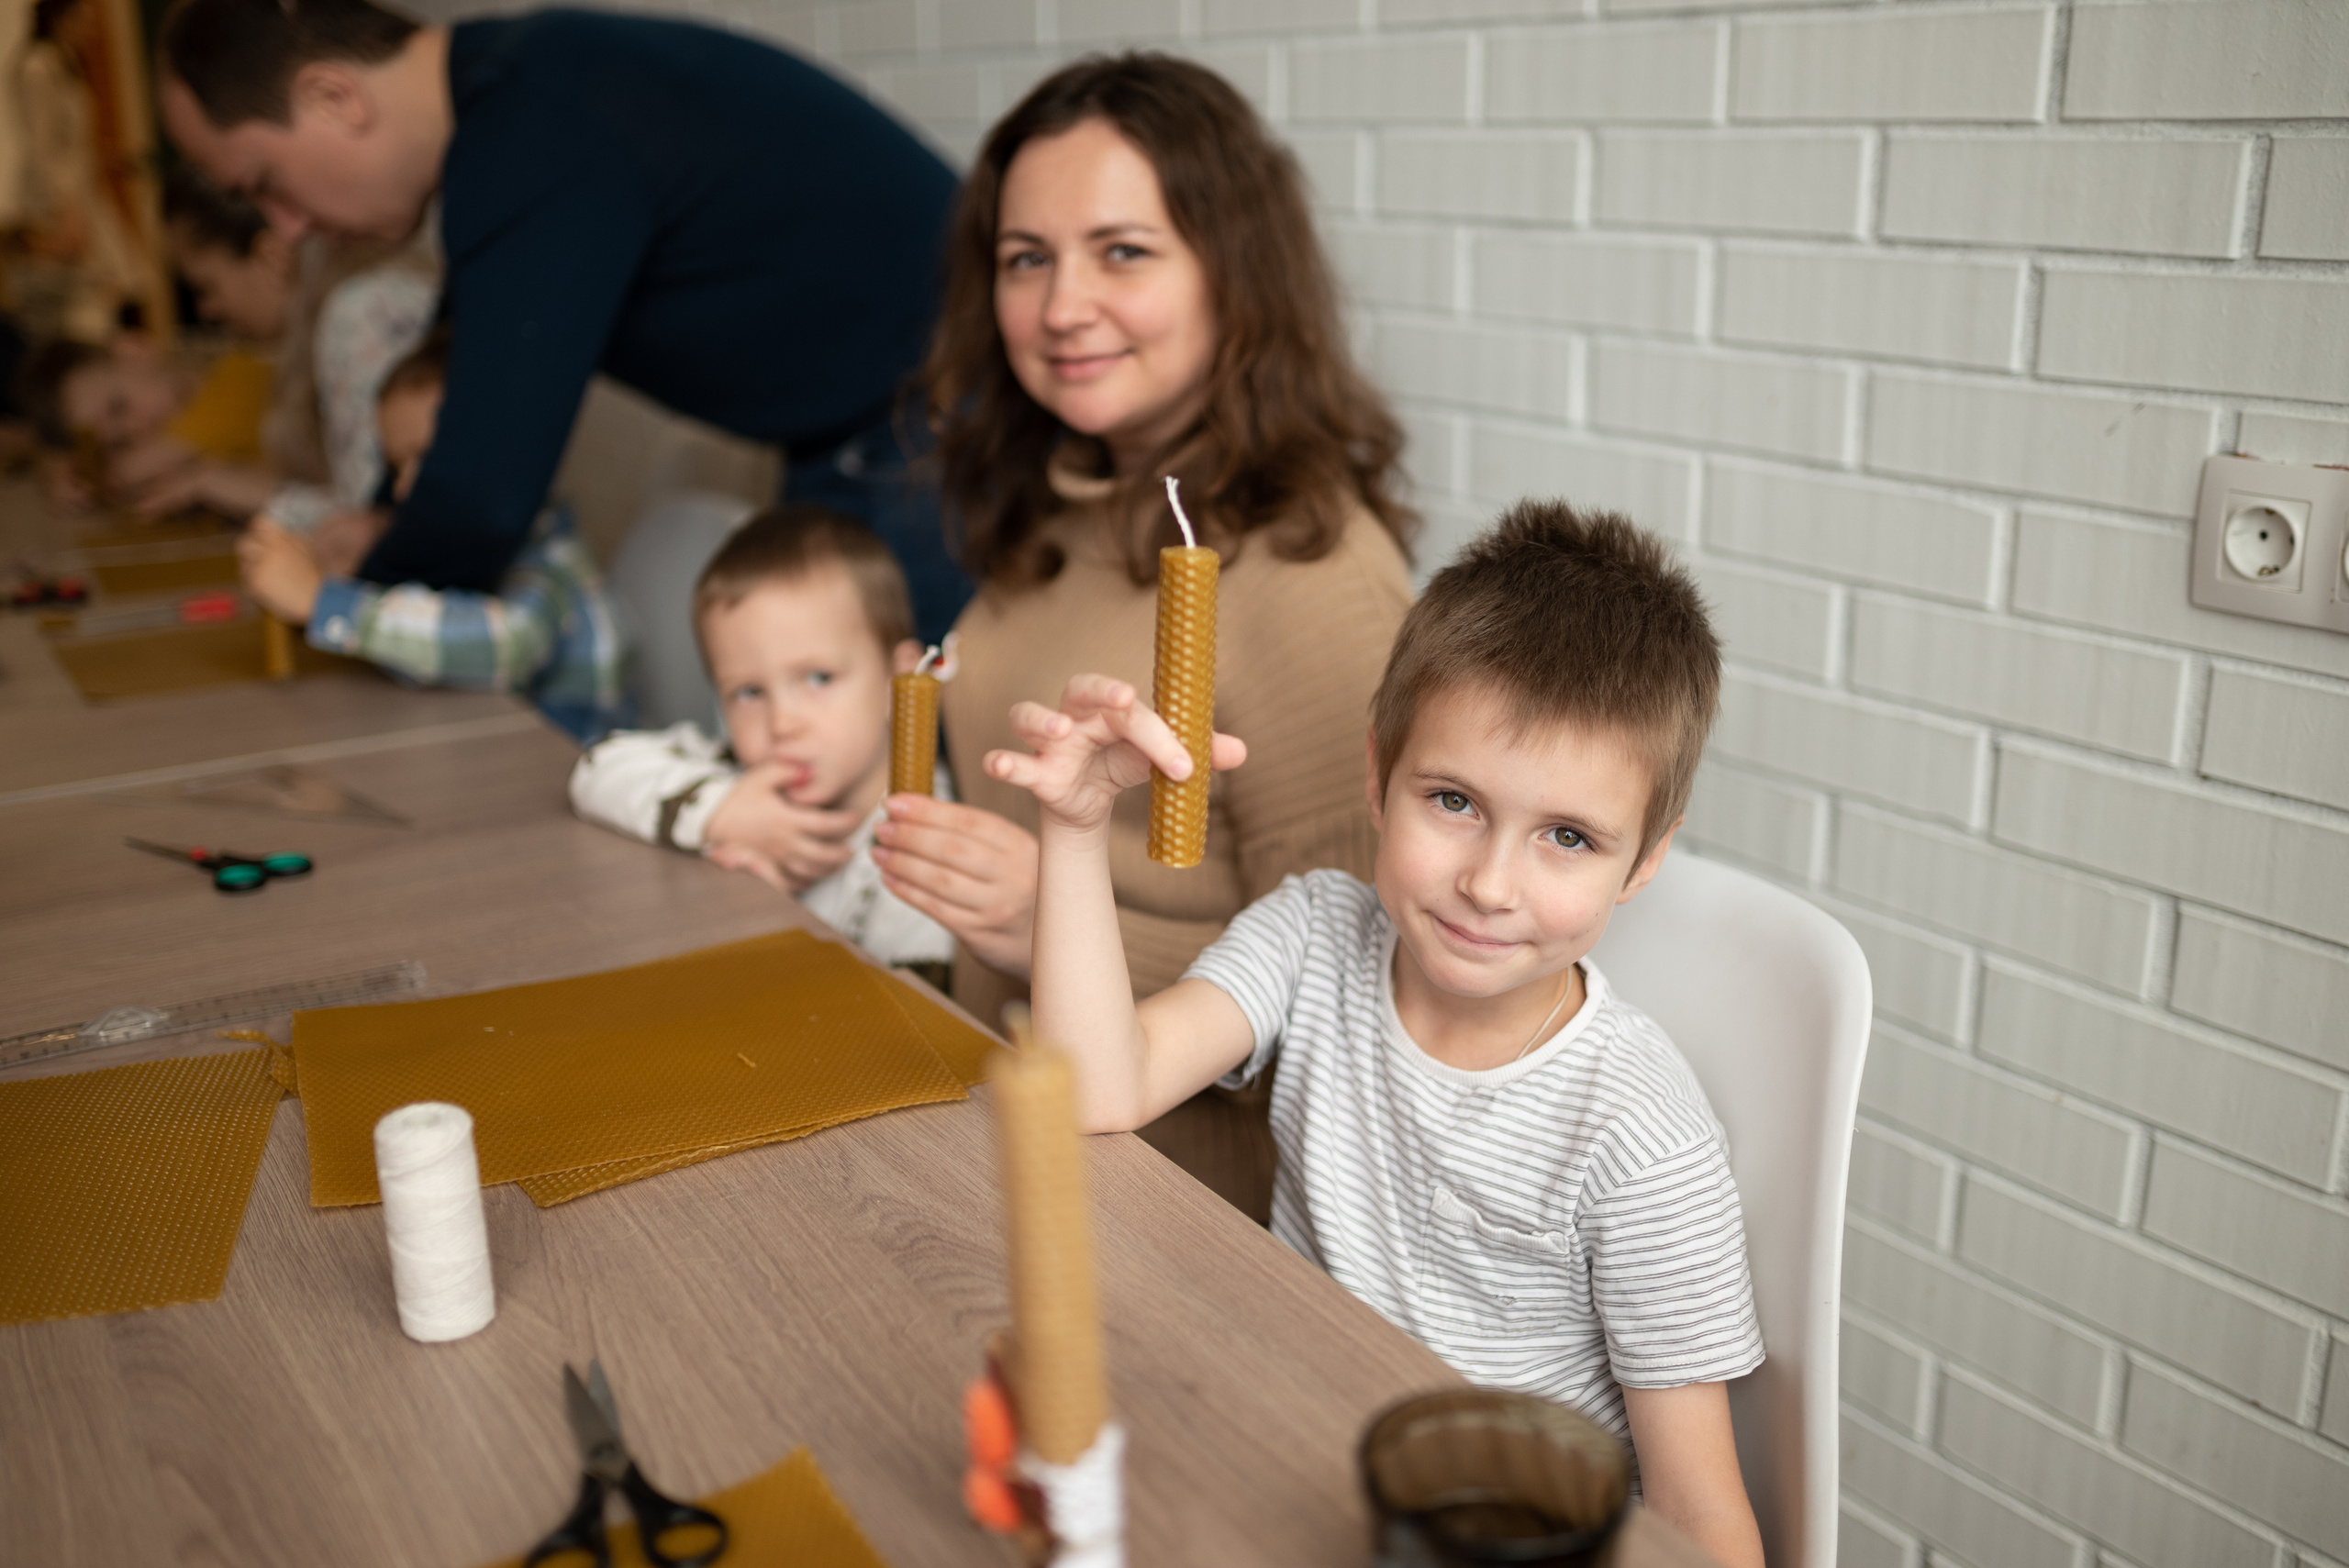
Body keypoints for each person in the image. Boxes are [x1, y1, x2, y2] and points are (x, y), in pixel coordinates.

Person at [996, 502, 1766, 1568]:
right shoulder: (1315, 931)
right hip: (1291, 1455)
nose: (1489, 883)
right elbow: (1098, 1086)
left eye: (1567, 837)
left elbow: (1696, 1511)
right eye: (1452, 799)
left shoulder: (1642, 1137)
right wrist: (1075, 831)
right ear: (1376, 776)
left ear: (1642, 862)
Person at [878, 54, 1414, 1219]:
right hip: (995, 1109)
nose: (1062, 306)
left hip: (1174, 1195)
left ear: (1235, 273)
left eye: (1122, 250)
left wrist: (1057, 925)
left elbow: (1379, 992)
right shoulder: (1059, 509)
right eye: (1027, 259)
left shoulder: (1314, 580)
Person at [157, 0, 971, 647]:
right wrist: (378, 522)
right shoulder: (518, 100)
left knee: (916, 779)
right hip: (885, 420)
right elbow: (456, 394)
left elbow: (483, 490)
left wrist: (346, 596)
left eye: (265, 182)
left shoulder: (532, 128)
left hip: (929, 423)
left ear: (333, 97)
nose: (285, 227)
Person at [568, 506, 955, 976]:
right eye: (749, 692)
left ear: (900, 680)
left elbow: (915, 1025)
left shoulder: (924, 846)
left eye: (817, 678)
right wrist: (721, 811)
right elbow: (595, 768)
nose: (783, 723)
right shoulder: (734, 775)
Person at [238, 327, 629, 742]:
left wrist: (322, 602)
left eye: (425, 456)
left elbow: (509, 643)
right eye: (396, 467)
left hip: (580, 764)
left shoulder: (548, 550)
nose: (404, 489)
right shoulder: (469, 540)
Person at [154, 164, 438, 541]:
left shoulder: (358, 314)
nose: (207, 310)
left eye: (208, 286)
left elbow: (371, 518)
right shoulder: (321, 322)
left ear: (270, 255)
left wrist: (262, 496)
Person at [21, 329, 273, 500]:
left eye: (118, 407)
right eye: (120, 441)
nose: (136, 430)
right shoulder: (189, 443)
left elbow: (126, 473)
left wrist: (63, 471)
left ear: (133, 349)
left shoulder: (238, 377)